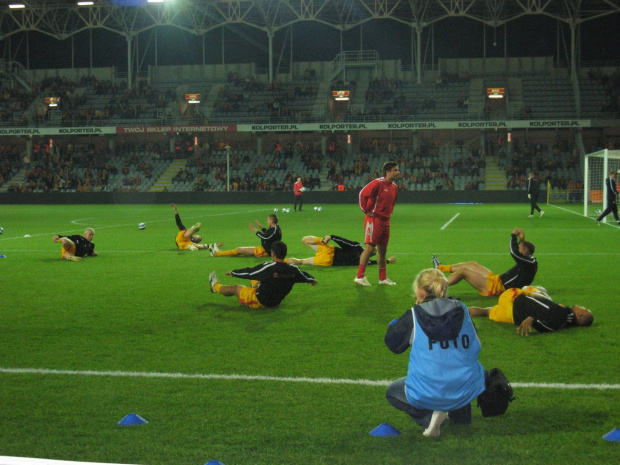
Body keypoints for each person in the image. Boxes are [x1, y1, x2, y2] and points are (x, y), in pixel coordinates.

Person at [384, 268, 486, 438]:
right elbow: (476, 346)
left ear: (420, 291)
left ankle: (430, 417)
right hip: (465, 388)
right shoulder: (463, 310)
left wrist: (397, 324)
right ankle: (461, 416)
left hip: (429, 390)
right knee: (459, 369)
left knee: (393, 392)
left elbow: (393, 344)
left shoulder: (414, 315)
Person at [209, 241, 317, 309]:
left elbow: (250, 272)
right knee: (256, 281)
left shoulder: (270, 267)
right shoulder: (293, 269)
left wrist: (234, 272)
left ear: (273, 254)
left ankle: (214, 286)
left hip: (260, 301)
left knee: (235, 288)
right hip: (276, 303)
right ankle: (253, 289)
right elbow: (304, 276)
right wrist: (311, 279)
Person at [432, 227, 537, 297]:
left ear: (525, 251)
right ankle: (440, 268)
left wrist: (513, 235)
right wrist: (522, 241)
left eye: (520, 246)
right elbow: (520, 254)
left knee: (463, 271)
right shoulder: (528, 262)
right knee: (472, 264)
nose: (518, 247)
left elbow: (514, 253)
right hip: (497, 281)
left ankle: (437, 287)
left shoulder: (530, 263)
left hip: (497, 288)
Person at [468, 286, 594, 336]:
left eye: (583, 308)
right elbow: (552, 324)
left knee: (539, 289)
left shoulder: (565, 314)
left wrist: (533, 320)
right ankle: (460, 312)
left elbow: (549, 326)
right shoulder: (566, 322)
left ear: (580, 314)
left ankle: (454, 311)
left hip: (513, 299)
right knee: (486, 312)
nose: (580, 306)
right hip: (511, 317)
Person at [355, 161, 400, 286]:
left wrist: (390, 212)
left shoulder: (394, 187)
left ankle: (382, 278)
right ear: (388, 172)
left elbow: (392, 202)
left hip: (386, 221)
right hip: (374, 220)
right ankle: (359, 277)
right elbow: (362, 194)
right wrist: (366, 211)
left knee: (382, 250)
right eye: (395, 170)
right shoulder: (378, 183)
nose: (398, 172)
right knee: (370, 248)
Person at [287, 234, 396, 267]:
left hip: (329, 250)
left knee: (305, 240)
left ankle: (321, 240)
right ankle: (283, 261)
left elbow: (345, 242)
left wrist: (332, 237)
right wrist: (388, 261)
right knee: (301, 261)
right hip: (327, 261)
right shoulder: (364, 261)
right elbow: (375, 262)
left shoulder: (358, 247)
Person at [211, 214, 281, 258]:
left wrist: (255, 231)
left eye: (268, 220)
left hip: (265, 251)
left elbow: (266, 237)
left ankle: (217, 253)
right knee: (240, 250)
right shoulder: (275, 228)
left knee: (239, 250)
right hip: (265, 249)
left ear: (271, 221)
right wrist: (261, 227)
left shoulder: (275, 230)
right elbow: (268, 234)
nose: (267, 221)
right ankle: (219, 252)